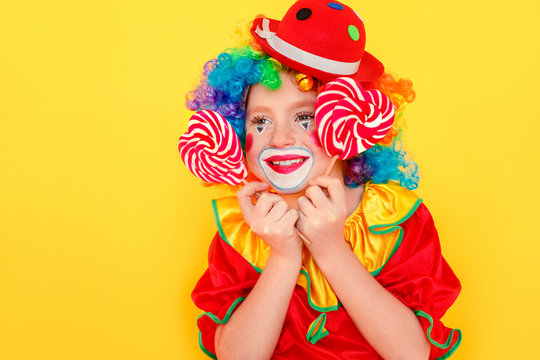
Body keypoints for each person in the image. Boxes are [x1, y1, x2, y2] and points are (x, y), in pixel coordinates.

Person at [184, 1, 461, 359]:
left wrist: (332, 250)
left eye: (305, 118)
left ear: (347, 121)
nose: (280, 139)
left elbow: (411, 353)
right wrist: (283, 258)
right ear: (238, 131)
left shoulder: (396, 219)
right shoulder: (242, 229)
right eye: (260, 122)